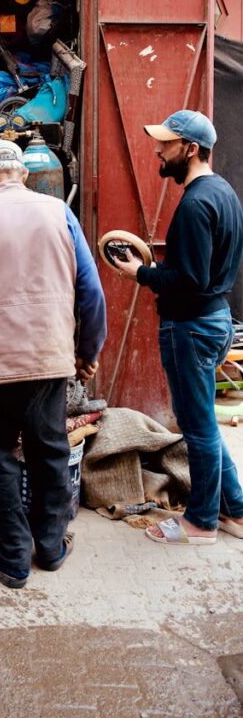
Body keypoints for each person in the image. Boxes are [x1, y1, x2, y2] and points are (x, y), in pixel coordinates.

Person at [0, 139, 107, 588]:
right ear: (23, 175)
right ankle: (49, 548)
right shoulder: (58, 213)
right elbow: (92, 292)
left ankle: (12, 560)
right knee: (50, 453)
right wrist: (87, 352)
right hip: (49, 360)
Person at [113, 109, 243, 546]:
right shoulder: (223, 192)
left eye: (166, 144)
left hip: (191, 326)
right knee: (206, 422)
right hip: (214, 318)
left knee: (199, 428)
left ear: (190, 149)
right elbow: (202, 272)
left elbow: (190, 280)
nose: (157, 149)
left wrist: (141, 274)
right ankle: (236, 511)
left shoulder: (194, 204)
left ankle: (201, 522)